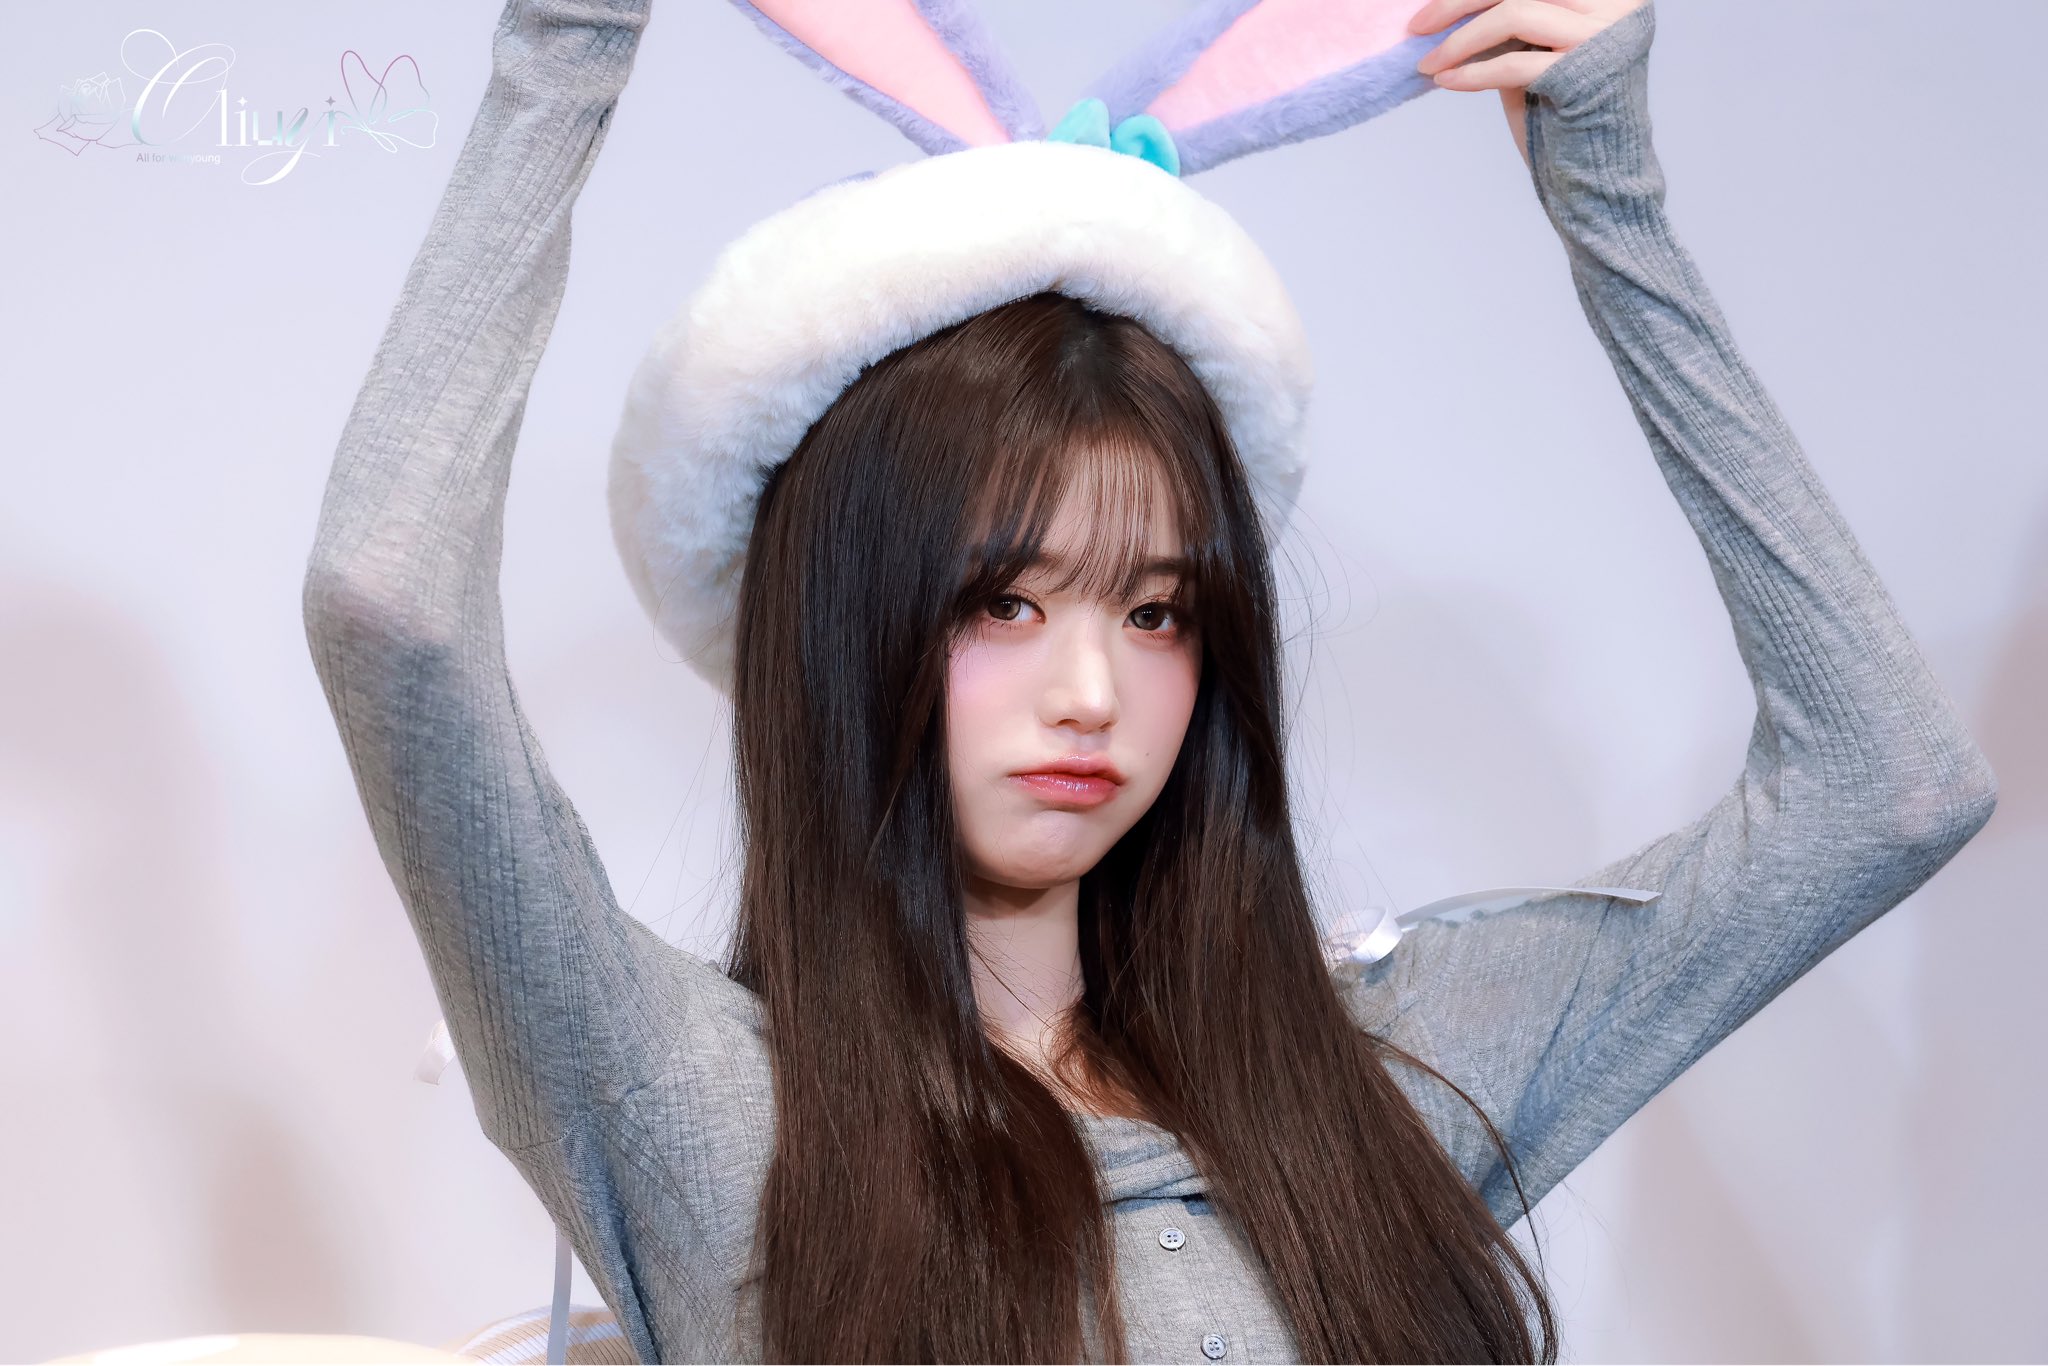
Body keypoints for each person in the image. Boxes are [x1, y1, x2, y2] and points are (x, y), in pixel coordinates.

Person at [300, 0, 1999, 1361]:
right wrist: (567, 46)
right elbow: (389, 603)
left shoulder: (1375, 1075)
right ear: (847, 622)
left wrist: (1613, 205)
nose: (1095, 693)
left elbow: (1890, 784)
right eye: (1005, 601)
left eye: (1161, 611)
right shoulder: (686, 1092)